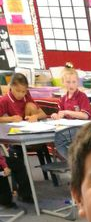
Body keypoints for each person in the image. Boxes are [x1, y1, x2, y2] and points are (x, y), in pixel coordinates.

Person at [0, 72, 47, 202]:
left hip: (29, 134)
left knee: (31, 106)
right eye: (18, 91)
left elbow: (43, 114)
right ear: (11, 87)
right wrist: (10, 118)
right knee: (17, 159)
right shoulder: (4, 100)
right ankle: (23, 192)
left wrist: (35, 116)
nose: (21, 94)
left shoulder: (27, 97)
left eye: (23, 91)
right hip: (15, 139)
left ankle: (23, 190)